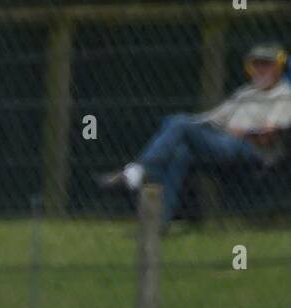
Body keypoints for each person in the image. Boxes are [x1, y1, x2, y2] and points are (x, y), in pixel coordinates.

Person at [98, 44, 291, 223]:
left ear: (278, 68)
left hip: (251, 151)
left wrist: (244, 131)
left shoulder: (284, 94)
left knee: (180, 124)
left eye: (266, 64)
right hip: (222, 143)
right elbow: (211, 118)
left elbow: (270, 134)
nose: (260, 69)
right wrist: (177, 125)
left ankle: (138, 172)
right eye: (256, 64)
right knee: (180, 148)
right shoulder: (245, 93)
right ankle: (159, 223)